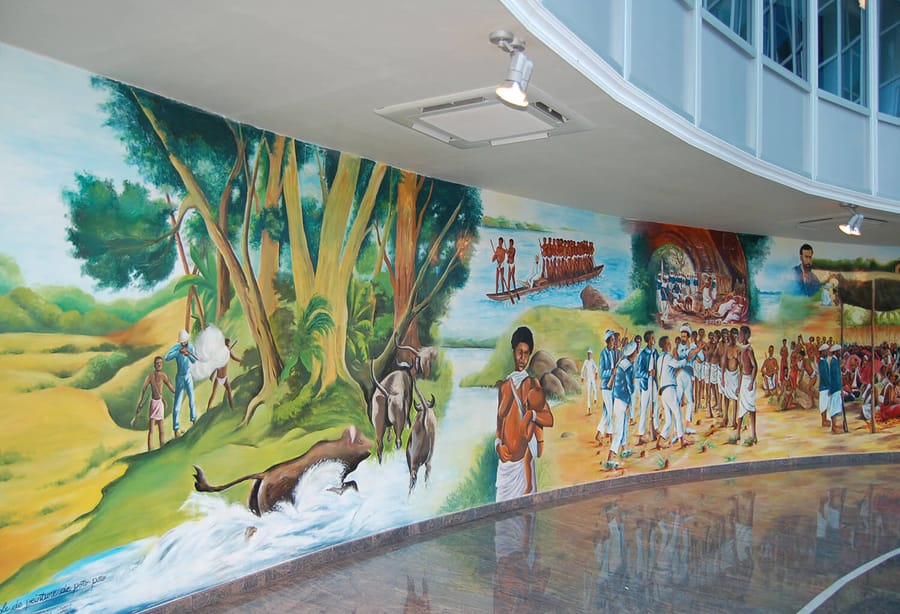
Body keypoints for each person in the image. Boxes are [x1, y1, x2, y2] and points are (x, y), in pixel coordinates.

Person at [495, 326, 554, 502]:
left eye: (526, 353)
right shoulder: (505, 386)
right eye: (519, 352)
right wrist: (498, 445)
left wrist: (532, 415)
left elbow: (549, 419)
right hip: (505, 467)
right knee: (502, 516)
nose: (523, 358)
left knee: (526, 515)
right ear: (513, 351)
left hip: (522, 467)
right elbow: (499, 424)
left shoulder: (532, 384)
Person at [131, 356, 175, 451]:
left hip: (160, 404)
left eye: (160, 363)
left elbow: (170, 386)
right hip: (153, 404)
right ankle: (150, 449)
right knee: (151, 430)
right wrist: (139, 404)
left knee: (161, 429)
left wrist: (176, 391)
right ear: (154, 365)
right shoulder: (150, 376)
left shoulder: (163, 376)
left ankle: (162, 446)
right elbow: (143, 390)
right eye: (157, 363)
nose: (159, 364)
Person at [607, 341, 637, 466]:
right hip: (622, 400)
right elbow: (630, 386)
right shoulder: (629, 367)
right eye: (635, 352)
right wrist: (631, 396)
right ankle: (610, 458)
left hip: (619, 399)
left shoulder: (621, 364)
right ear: (632, 354)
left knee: (624, 426)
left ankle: (624, 449)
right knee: (619, 430)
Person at [165, 329, 198, 437]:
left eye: (184, 341)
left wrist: (188, 354)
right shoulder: (177, 347)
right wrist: (178, 352)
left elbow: (194, 361)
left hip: (188, 376)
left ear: (187, 340)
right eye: (181, 342)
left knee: (192, 399)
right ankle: (176, 428)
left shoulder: (191, 347)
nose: (183, 343)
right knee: (177, 403)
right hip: (179, 377)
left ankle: (194, 420)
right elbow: (167, 357)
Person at [732, 325, 758, 445]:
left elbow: (755, 367)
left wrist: (751, 382)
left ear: (746, 336)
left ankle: (754, 434)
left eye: (741, 334)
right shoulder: (741, 350)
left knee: (751, 408)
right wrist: (739, 385)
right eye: (739, 334)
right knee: (742, 407)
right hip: (744, 381)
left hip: (749, 381)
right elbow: (741, 369)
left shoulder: (749, 350)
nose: (739, 336)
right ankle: (738, 433)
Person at [635, 331, 658, 445]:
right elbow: (638, 372)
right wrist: (648, 373)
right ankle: (641, 434)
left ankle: (655, 429)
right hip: (645, 384)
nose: (654, 340)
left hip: (653, 382)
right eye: (652, 338)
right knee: (644, 408)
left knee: (655, 406)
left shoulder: (655, 352)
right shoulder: (643, 354)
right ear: (649, 340)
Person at [206, 338, 242, 411]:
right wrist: (212, 375)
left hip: (225, 378)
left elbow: (234, 358)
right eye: (227, 345)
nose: (228, 347)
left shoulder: (229, 352)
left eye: (229, 345)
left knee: (229, 391)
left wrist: (242, 360)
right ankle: (208, 409)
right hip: (218, 378)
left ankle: (232, 408)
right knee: (213, 394)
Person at [828, 344, 844, 434]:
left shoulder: (835, 361)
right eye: (839, 351)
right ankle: (833, 427)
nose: (840, 353)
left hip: (836, 387)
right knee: (834, 407)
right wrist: (840, 388)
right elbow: (836, 377)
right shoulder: (834, 362)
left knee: (836, 407)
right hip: (835, 388)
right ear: (836, 352)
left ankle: (834, 425)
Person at [581, 348, 600, 416]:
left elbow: (596, 367)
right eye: (588, 354)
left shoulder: (592, 361)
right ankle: (589, 409)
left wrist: (596, 374)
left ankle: (595, 399)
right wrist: (582, 377)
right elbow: (582, 369)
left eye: (590, 354)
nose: (589, 355)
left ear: (591, 355)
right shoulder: (585, 361)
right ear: (587, 354)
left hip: (593, 378)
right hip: (588, 379)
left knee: (595, 389)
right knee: (588, 393)